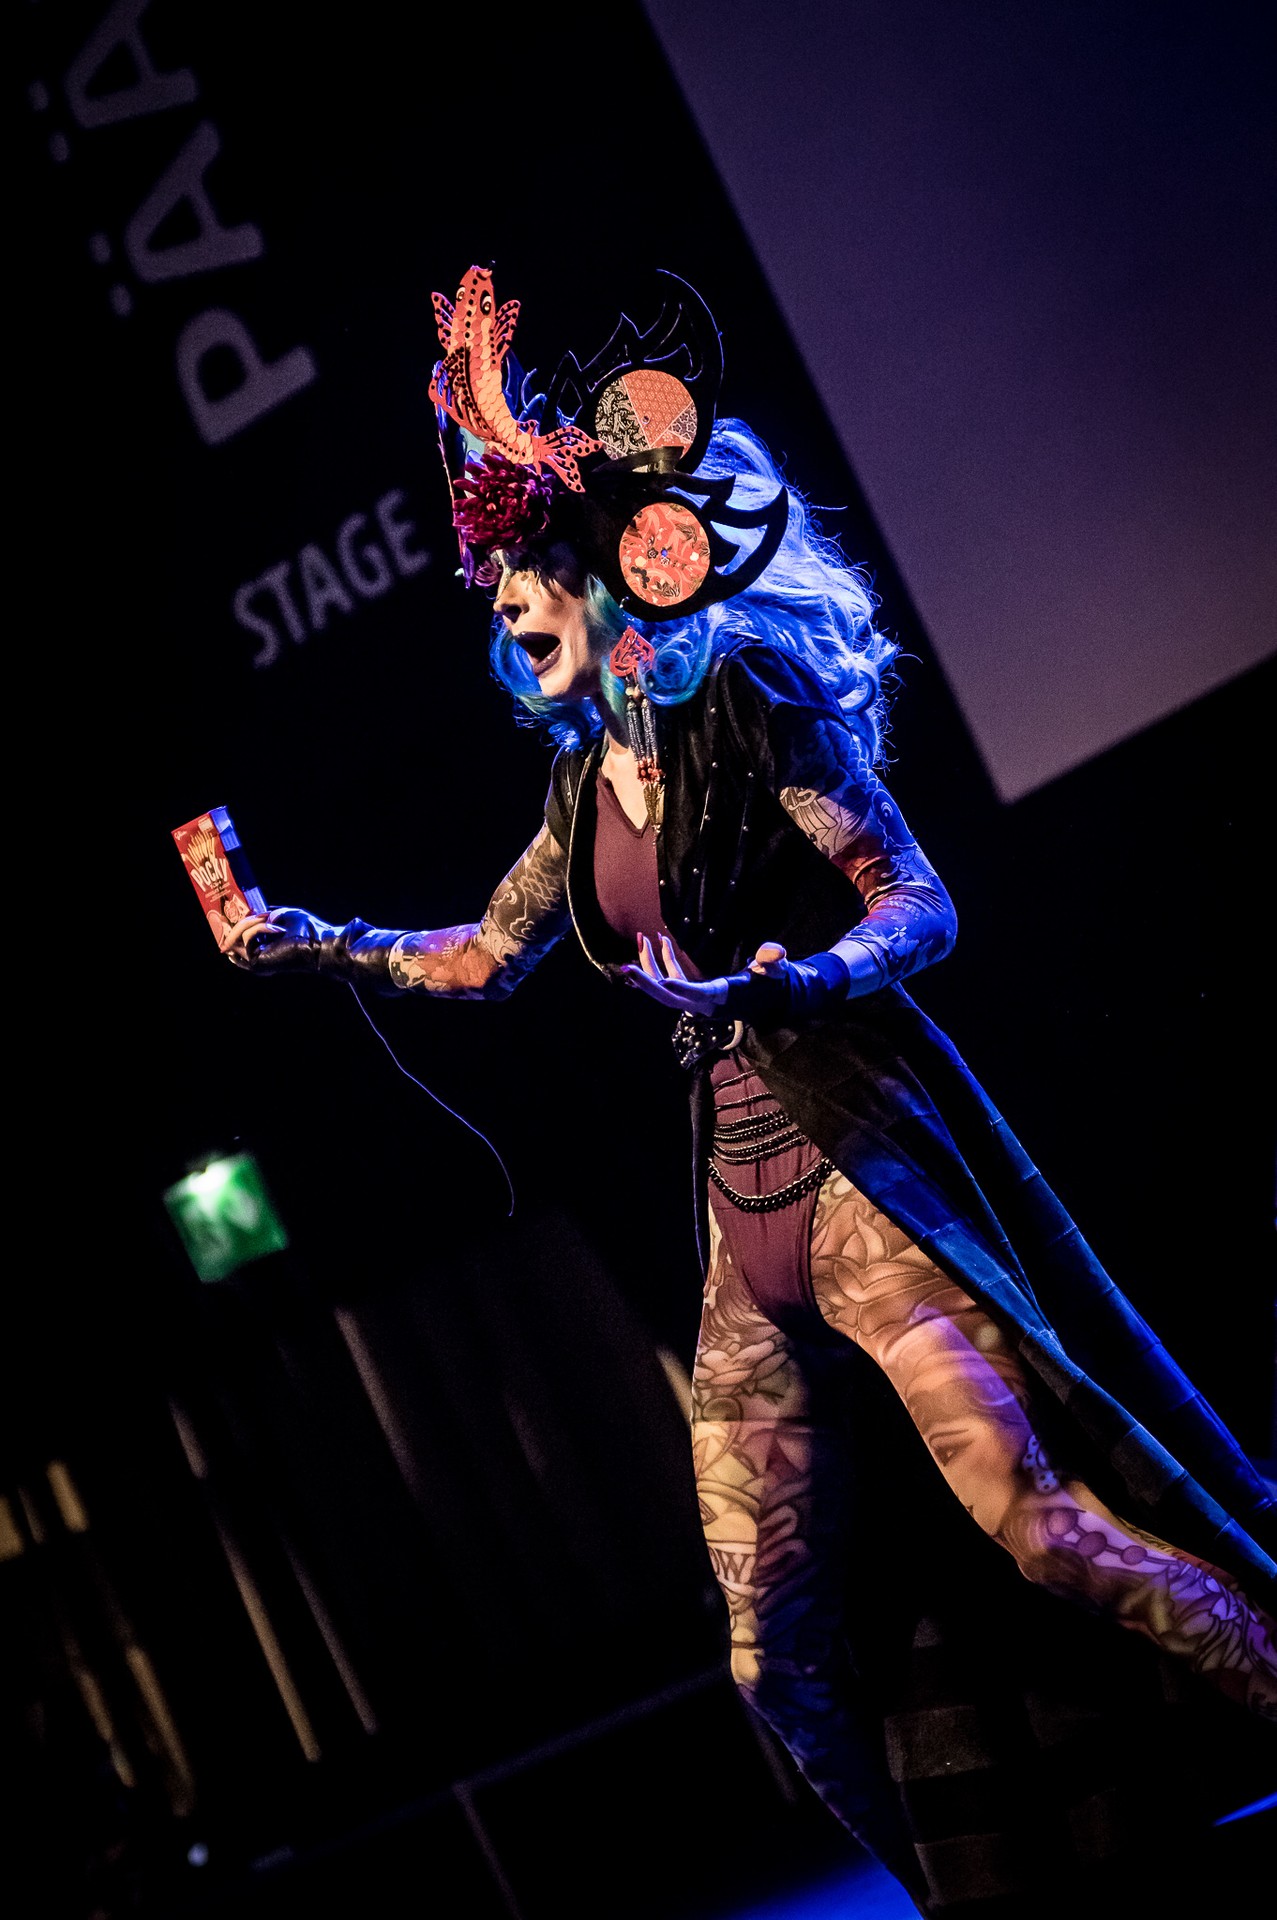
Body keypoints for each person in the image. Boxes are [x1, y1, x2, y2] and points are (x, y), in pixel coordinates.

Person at [227, 267, 1276, 1915]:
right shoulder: (577, 796)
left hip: (856, 1176)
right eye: (495, 594)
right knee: (768, 1658)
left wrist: (792, 981)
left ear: (606, 579)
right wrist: (305, 942)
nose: (506, 612)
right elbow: (480, 959)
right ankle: (955, 1887)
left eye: (527, 580)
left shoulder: (751, 709)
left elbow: (917, 901)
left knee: (1039, 1530)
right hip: (742, 1212)